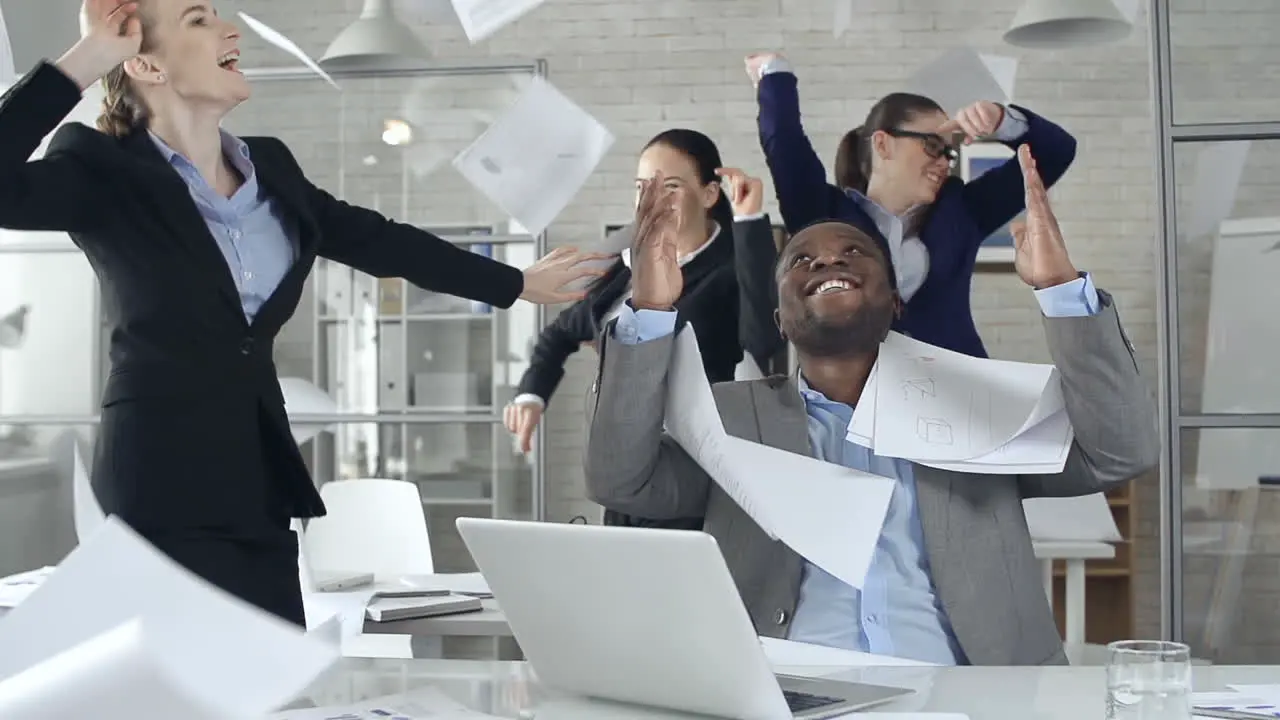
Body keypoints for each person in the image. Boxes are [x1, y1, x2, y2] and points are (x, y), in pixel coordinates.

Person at [0, 0, 604, 626]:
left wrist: (514, 282)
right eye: (199, 19)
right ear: (147, 63)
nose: (229, 28)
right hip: (156, 482)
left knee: (274, 685)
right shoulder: (100, 170)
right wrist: (89, 57)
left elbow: (379, 240)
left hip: (257, 481)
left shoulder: (271, 170)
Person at [582, 145, 1158, 666]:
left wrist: (1061, 291)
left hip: (967, 690)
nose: (828, 261)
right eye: (801, 260)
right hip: (787, 688)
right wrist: (650, 311)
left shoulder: (976, 407)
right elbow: (621, 480)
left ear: (896, 304)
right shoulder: (726, 420)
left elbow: (1117, 452)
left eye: (855, 251)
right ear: (780, 319)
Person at [501, 129, 783, 528]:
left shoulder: (735, 267)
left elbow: (762, 338)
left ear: (708, 194)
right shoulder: (626, 268)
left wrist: (750, 219)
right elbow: (561, 333)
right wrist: (531, 395)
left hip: (690, 476)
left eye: (670, 187)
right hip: (621, 469)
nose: (653, 201)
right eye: (642, 187)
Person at [744, 52, 1078, 359]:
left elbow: (1055, 152)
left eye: (949, 153)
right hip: (859, 404)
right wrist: (775, 73)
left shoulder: (963, 210)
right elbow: (784, 141)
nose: (945, 163)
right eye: (933, 146)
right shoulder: (821, 214)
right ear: (883, 144)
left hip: (962, 396)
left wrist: (1002, 121)